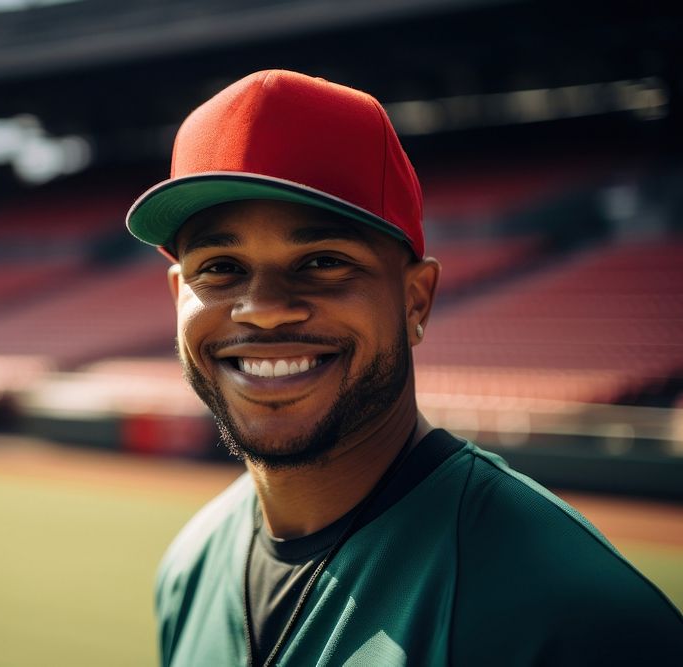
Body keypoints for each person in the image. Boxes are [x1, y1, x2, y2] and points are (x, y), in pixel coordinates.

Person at [125, 70, 683, 666]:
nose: (262, 310)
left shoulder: (571, 615)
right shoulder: (191, 563)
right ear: (177, 296)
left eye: (321, 260)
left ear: (416, 300)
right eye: (220, 266)